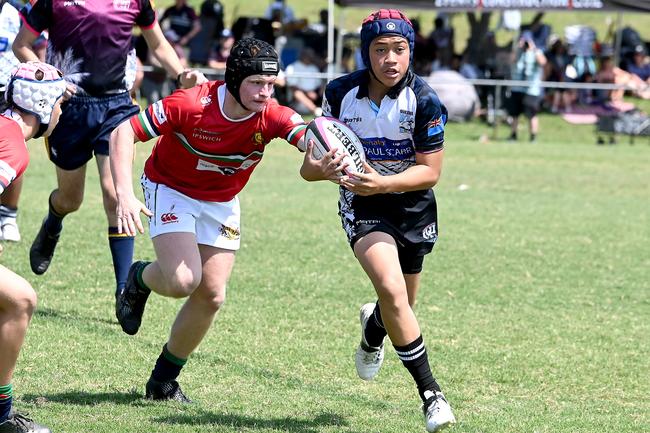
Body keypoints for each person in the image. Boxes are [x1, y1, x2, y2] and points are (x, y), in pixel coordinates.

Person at [109, 38, 326, 401]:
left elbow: (304, 136)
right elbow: (124, 131)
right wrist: (124, 193)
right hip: (171, 186)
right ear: (236, 78)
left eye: (270, 85)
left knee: (211, 294)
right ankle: (139, 278)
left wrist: (322, 157)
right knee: (182, 280)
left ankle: (163, 382)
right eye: (257, 83)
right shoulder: (192, 104)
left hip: (221, 198)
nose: (264, 93)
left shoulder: (271, 113)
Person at [299, 9, 455, 432]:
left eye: (399, 50)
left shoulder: (425, 100)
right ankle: (432, 396)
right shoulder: (339, 93)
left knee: (401, 305)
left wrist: (382, 184)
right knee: (390, 289)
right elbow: (308, 169)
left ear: (411, 52)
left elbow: (431, 172)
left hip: (412, 206)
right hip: (363, 206)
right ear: (366, 53)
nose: (390, 59)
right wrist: (327, 170)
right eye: (380, 50)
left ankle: (373, 330)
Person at [12, 0, 208, 296]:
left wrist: (182, 76)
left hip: (117, 106)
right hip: (68, 108)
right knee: (70, 199)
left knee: (116, 194)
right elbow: (22, 45)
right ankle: (53, 220)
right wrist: (52, 79)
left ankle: (122, 290)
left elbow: (158, 43)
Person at [0, 61, 68, 433]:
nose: (61, 112)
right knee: (20, 300)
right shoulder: (13, 147)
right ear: (43, 106)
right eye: (59, 103)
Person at [0, 0, 22, 243]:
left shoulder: (16, 11)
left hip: (7, 92)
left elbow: (37, 41)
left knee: (13, 152)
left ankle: (8, 216)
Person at [506, 32, 546, 142]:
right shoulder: (517, 52)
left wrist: (533, 49)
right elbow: (510, 61)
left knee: (532, 114)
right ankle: (513, 135)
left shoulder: (536, 52)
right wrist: (517, 48)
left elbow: (543, 62)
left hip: (531, 90)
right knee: (515, 114)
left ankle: (533, 137)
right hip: (516, 88)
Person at [160, 0, 202, 68]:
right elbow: (159, 22)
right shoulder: (171, 10)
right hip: (171, 41)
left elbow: (197, 27)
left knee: (182, 64)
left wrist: (186, 38)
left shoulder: (189, 11)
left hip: (183, 43)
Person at [285, 47, 323, 116]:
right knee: (297, 93)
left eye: (312, 55)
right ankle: (315, 110)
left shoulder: (314, 68)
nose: (311, 57)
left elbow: (319, 85)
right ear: (303, 55)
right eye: (309, 55)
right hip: (296, 99)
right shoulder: (292, 67)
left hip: (314, 96)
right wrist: (307, 93)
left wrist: (319, 92)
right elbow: (292, 87)